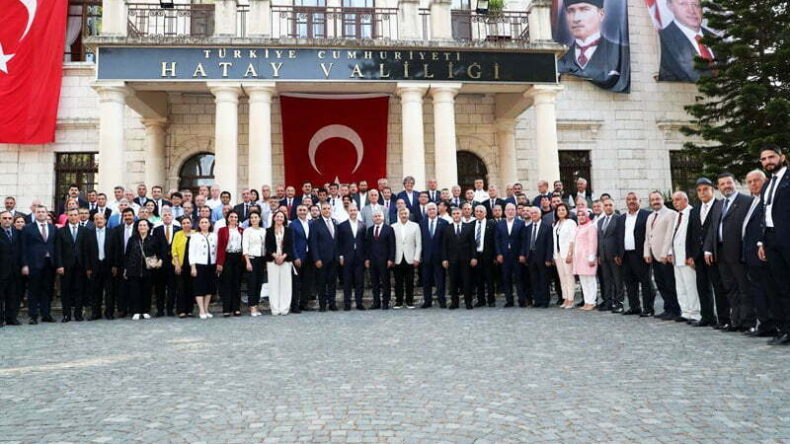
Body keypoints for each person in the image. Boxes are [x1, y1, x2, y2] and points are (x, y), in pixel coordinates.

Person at [704, 173, 753, 332]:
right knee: (730, 288)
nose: (726, 186)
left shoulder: (747, 201)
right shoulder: (719, 205)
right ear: (718, 187)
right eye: (723, 184)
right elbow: (713, 228)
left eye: (729, 182)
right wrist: (708, 249)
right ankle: (736, 321)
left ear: (735, 183)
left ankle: (748, 322)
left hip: (739, 252)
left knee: (744, 287)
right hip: (721, 252)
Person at [557, 0, 630, 92]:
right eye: (570, 11)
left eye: (584, 9)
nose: (576, 18)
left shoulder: (621, 54)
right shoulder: (561, 58)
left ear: (601, 14)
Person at [758, 146, 790, 345]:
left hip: (787, 238)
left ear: (782, 157)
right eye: (764, 159)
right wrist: (762, 242)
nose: (768, 161)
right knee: (781, 287)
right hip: (771, 240)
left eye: (771, 157)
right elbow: (765, 214)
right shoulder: (767, 184)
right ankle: (786, 329)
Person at [741, 170, 777, 338]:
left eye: (757, 180)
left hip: (763, 254)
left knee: (768, 291)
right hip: (750, 256)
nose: (753, 184)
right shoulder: (753, 201)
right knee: (758, 291)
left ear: (766, 181)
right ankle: (764, 324)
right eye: (749, 182)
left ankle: (772, 325)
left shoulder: (768, 201)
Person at [686, 178, 724, 327]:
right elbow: (690, 233)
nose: (702, 192)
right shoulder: (695, 210)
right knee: (702, 287)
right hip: (698, 255)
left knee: (718, 287)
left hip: (714, 254)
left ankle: (723, 318)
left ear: (712, 190)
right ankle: (707, 317)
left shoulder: (720, 206)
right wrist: (689, 255)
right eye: (699, 190)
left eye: (705, 189)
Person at [658, 0, 715, 82]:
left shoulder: (716, 39)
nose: (692, 11)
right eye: (683, 4)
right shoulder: (661, 42)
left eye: (695, 4)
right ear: (670, 6)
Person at [644, 191, 680, 320]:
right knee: (660, 283)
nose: (655, 201)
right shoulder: (650, 216)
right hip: (654, 255)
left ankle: (675, 310)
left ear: (663, 200)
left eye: (657, 199)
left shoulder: (671, 214)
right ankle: (667, 308)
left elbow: (670, 236)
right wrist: (646, 253)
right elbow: (648, 236)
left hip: (665, 256)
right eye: (653, 199)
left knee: (670, 283)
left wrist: (665, 253)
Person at [667, 191, 700, 324]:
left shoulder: (692, 213)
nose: (675, 202)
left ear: (686, 200)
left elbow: (694, 236)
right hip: (677, 256)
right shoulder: (677, 215)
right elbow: (673, 236)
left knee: (691, 286)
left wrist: (691, 255)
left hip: (687, 256)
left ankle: (696, 313)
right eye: (673, 200)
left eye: (678, 199)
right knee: (680, 287)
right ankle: (685, 311)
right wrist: (670, 252)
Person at [619, 192, 654, 316]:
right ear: (626, 202)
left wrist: (649, 252)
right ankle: (634, 307)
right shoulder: (622, 218)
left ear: (640, 201)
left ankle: (648, 308)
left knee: (646, 282)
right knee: (630, 282)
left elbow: (651, 235)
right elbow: (619, 236)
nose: (631, 201)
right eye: (629, 199)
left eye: (634, 199)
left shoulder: (647, 215)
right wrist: (618, 254)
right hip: (626, 255)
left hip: (641, 254)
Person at [21, 206, 57, 324]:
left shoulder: (53, 228)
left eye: (43, 212)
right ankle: (33, 316)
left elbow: (55, 246)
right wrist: (24, 265)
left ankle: (46, 314)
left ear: (47, 214)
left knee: (47, 290)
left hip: (49, 263)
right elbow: (23, 248)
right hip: (34, 263)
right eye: (38, 212)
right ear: (34, 213)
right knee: (33, 290)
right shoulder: (27, 228)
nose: (41, 214)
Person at [54, 208, 90, 322]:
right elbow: (58, 250)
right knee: (66, 291)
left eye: (75, 215)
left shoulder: (85, 231)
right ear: (67, 216)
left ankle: (78, 314)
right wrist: (59, 265)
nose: (73, 217)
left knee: (79, 290)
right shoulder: (61, 231)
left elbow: (87, 250)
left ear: (79, 216)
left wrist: (88, 267)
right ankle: (66, 315)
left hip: (80, 266)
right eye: (71, 215)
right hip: (66, 266)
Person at [123, 219, 160, 320]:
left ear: (148, 227)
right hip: (134, 269)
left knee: (147, 291)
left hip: (148, 269)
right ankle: (136, 311)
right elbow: (127, 254)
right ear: (137, 227)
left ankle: (145, 310)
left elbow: (158, 253)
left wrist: (158, 262)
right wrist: (126, 268)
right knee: (134, 291)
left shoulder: (153, 239)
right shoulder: (132, 239)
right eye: (140, 225)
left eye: (144, 225)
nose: (142, 227)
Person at [443, 207, 476, 309]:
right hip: (452, 260)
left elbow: (473, 244)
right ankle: (454, 302)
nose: (456, 215)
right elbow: (444, 245)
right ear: (451, 215)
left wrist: (474, 257)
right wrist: (444, 259)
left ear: (461, 214)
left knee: (467, 282)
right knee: (453, 282)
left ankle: (468, 302)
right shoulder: (447, 228)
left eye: (458, 213)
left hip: (466, 259)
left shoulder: (468, 227)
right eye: (454, 214)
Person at [520, 207, 554, 308]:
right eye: (532, 213)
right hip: (531, 257)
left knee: (544, 280)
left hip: (543, 258)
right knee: (534, 280)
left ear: (540, 214)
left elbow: (549, 244)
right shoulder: (528, 228)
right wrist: (525, 255)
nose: (533, 215)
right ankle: (537, 300)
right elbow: (525, 243)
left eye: (535, 213)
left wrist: (548, 258)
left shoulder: (547, 227)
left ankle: (545, 301)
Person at [496, 203, 527, 307]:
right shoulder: (499, 224)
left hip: (517, 255)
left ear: (516, 211)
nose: (510, 211)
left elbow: (524, 240)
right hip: (504, 256)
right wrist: (499, 253)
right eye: (508, 210)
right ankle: (509, 300)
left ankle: (522, 300)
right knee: (506, 278)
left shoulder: (521, 223)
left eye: (512, 209)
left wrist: (522, 254)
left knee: (519, 278)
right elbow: (497, 240)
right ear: (504, 212)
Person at [310, 202, 339, 311]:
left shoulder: (335, 223)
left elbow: (337, 241)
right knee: (321, 283)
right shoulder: (316, 224)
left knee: (332, 283)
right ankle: (322, 305)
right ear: (321, 211)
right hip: (321, 259)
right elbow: (313, 243)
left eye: (328, 208)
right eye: (324, 209)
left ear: (331, 210)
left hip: (334, 258)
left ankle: (332, 303)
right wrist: (316, 258)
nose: (327, 210)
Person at [151, 208, 180, 317]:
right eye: (165, 215)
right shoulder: (157, 230)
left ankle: (170, 309)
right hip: (161, 263)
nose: (167, 216)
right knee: (160, 288)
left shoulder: (178, 229)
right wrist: (159, 259)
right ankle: (160, 310)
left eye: (169, 215)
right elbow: (154, 246)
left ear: (172, 217)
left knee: (172, 287)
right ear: (161, 218)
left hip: (174, 262)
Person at [84, 212, 113, 320]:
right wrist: (88, 267)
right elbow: (86, 252)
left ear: (105, 220)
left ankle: (109, 313)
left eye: (101, 218)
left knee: (109, 291)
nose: (99, 220)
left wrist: (115, 266)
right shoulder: (88, 234)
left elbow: (116, 250)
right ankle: (96, 313)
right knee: (95, 291)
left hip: (108, 265)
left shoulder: (112, 232)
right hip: (94, 266)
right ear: (94, 221)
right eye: (96, 219)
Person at [391, 207, 421, 309]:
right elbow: (391, 244)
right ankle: (398, 302)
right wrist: (392, 258)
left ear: (409, 215)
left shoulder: (415, 226)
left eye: (405, 213)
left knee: (410, 282)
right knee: (398, 282)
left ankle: (409, 301)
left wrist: (417, 257)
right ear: (399, 215)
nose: (404, 215)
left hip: (410, 258)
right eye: (402, 213)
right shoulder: (393, 227)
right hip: (397, 258)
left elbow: (418, 244)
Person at [338, 204, 367, 311]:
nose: (353, 212)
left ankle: (359, 303)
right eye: (351, 210)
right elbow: (339, 242)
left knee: (360, 281)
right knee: (347, 281)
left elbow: (365, 242)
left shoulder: (363, 225)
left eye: (355, 210)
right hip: (347, 257)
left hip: (360, 257)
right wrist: (341, 256)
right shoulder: (342, 226)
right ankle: (347, 303)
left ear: (357, 211)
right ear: (348, 211)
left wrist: (366, 257)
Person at [597, 198, 624, 312]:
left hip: (614, 255)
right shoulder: (600, 221)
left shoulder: (619, 219)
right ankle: (608, 302)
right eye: (606, 205)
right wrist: (598, 255)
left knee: (618, 280)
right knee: (606, 280)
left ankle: (619, 303)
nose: (608, 207)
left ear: (614, 206)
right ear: (603, 207)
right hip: (603, 255)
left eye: (610, 205)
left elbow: (620, 237)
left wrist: (619, 254)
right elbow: (599, 238)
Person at [365, 209, 395, 309]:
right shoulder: (370, 230)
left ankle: (386, 302)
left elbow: (392, 245)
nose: (377, 218)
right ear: (372, 218)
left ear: (383, 217)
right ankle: (376, 302)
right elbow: (367, 246)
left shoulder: (389, 229)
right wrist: (367, 259)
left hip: (385, 260)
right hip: (373, 261)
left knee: (386, 282)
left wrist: (391, 259)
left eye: (379, 216)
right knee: (374, 283)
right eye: (375, 216)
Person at [419, 202, 448, 308]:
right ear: (426, 211)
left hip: (439, 257)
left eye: (433, 209)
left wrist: (445, 258)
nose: (431, 211)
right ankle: (427, 301)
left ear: (437, 210)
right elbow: (420, 241)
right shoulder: (421, 223)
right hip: (426, 257)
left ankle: (442, 300)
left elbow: (445, 242)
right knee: (426, 280)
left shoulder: (444, 223)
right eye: (429, 209)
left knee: (440, 280)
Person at [265, 211, 293, 316]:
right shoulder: (268, 230)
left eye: (282, 217)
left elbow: (290, 245)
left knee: (286, 285)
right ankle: (275, 308)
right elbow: (267, 246)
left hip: (285, 260)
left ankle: (284, 308)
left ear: (284, 219)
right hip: (272, 260)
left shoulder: (289, 231)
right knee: (273, 285)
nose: (279, 218)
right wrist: (276, 256)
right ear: (274, 218)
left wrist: (283, 257)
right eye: (277, 216)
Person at [216, 211, 244, 317]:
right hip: (227, 257)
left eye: (235, 217)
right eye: (231, 217)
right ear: (227, 218)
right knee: (227, 283)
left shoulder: (241, 230)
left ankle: (236, 308)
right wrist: (219, 262)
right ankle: (226, 308)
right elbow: (220, 247)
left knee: (237, 283)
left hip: (238, 257)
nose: (233, 219)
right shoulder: (222, 230)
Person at [110, 207, 137, 317]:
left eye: (129, 215)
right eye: (125, 216)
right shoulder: (117, 229)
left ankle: (133, 309)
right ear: (122, 217)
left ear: (134, 216)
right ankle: (122, 309)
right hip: (120, 262)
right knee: (121, 287)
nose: (127, 217)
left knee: (134, 286)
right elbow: (114, 248)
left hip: (135, 262)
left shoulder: (138, 228)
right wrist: (114, 265)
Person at [189, 217, 217, 319]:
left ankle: (206, 309)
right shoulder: (195, 236)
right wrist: (193, 267)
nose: (204, 224)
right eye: (202, 222)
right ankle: (201, 310)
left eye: (206, 222)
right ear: (199, 225)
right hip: (199, 265)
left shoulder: (214, 236)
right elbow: (191, 252)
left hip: (211, 265)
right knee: (199, 288)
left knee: (209, 288)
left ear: (209, 224)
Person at [552, 203, 577, 309]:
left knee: (569, 276)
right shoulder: (556, 224)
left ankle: (571, 299)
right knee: (562, 277)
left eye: (563, 209)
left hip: (567, 253)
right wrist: (554, 255)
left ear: (567, 211)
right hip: (558, 253)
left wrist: (570, 253)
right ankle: (565, 298)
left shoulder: (570, 223)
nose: (561, 212)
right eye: (559, 210)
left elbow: (572, 239)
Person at [573, 209, 598, 311]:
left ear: (587, 216)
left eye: (583, 215)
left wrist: (592, 257)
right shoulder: (578, 227)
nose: (581, 217)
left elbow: (593, 242)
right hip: (579, 258)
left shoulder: (591, 227)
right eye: (579, 215)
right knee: (583, 281)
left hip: (587, 258)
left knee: (590, 280)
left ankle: (592, 302)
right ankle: (587, 301)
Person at [242, 212, 266, 317]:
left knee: (259, 283)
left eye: (256, 217)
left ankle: (256, 305)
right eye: (251, 218)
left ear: (259, 219)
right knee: (252, 283)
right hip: (251, 259)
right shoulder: (247, 231)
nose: (254, 219)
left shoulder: (263, 231)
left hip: (262, 259)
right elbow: (245, 246)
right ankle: (252, 306)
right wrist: (247, 262)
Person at [0, 211, 22, 326]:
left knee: (12, 295)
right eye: (4, 218)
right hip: (1, 270)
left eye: (9, 218)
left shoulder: (18, 233)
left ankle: (11, 318)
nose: (7, 220)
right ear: (0, 220)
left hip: (15, 270)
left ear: (12, 220)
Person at [290, 204, 313, 313]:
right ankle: (294, 306)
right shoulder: (293, 224)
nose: (302, 212)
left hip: (309, 256)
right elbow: (292, 243)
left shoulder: (311, 223)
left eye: (304, 210)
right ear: (297, 212)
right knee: (296, 283)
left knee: (307, 282)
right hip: (298, 257)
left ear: (307, 211)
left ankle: (304, 304)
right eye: (300, 210)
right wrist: (295, 257)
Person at [171, 217, 194, 318]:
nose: (186, 225)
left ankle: (189, 310)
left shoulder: (196, 234)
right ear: (181, 225)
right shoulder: (177, 234)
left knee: (191, 288)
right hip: (180, 264)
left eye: (188, 223)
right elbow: (174, 250)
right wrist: (177, 264)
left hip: (192, 265)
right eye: (184, 223)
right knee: (180, 288)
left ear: (191, 224)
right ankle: (181, 310)